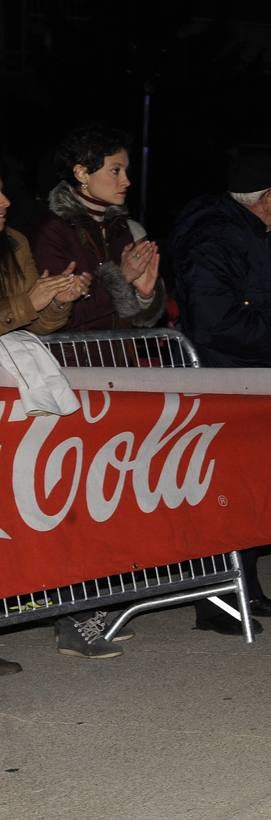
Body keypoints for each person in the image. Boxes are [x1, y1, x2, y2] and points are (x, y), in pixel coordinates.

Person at [171, 151, 271, 634]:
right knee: (224, 494)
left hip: (252, 378)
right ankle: (218, 602)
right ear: (268, 196)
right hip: (224, 380)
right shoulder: (216, 239)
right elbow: (215, 322)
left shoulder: (253, 236)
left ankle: (245, 587)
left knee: (250, 492)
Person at [1, 173, 93, 670]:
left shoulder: (12, 241)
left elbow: (36, 322)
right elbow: (18, 311)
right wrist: (28, 303)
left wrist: (59, 299)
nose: (6, 200)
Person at [31, 126, 164, 331]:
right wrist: (123, 278)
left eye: (126, 171)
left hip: (117, 359)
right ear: (82, 173)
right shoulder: (54, 231)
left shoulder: (119, 227)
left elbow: (132, 318)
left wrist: (145, 297)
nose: (126, 181)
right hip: (73, 361)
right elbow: (59, 318)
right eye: (115, 170)